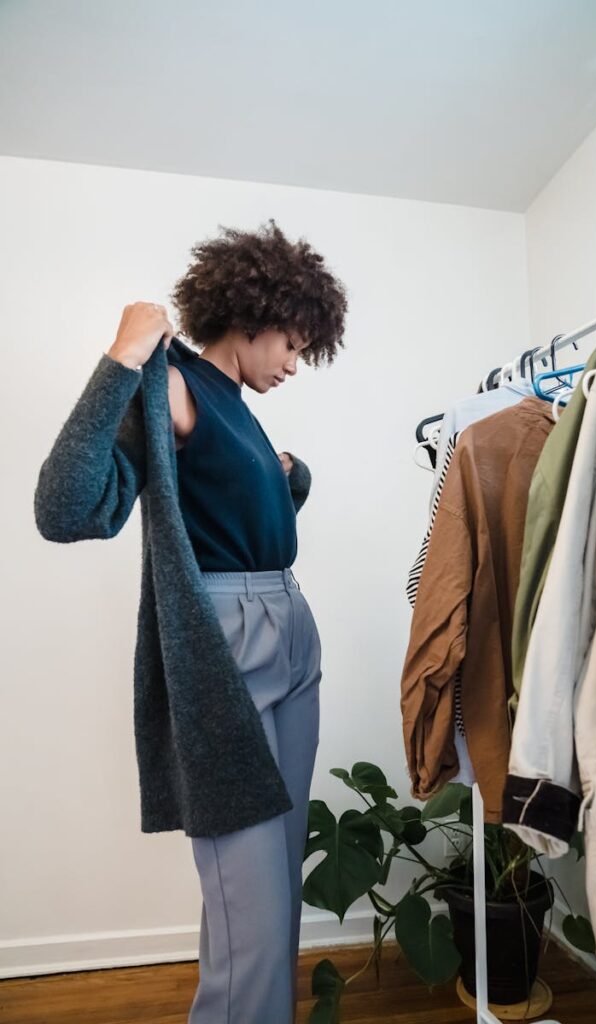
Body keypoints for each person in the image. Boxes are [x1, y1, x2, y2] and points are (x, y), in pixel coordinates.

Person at [106, 219, 348, 1023]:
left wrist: (290, 477)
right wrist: (122, 356)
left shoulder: (238, 406)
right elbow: (67, 504)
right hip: (228, 643)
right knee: (249, 904)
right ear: (249, 315)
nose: (292, 363)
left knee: (274, 881)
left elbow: (232, 503)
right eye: (289, 343)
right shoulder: (172, 380)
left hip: (288, 624)